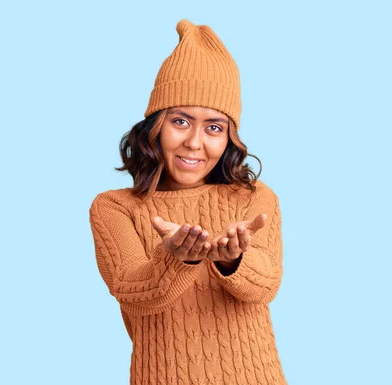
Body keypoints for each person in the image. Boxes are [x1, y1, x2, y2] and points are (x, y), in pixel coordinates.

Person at [89, 19, 287, 385]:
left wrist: (232, 260)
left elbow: (265, 286)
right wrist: (178, 259)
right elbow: (134, 294)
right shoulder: (114, 207)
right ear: (155, 126)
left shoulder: (255, 197)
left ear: (229, 139)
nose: (195, 142)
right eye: (180, 121)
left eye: (214, 127)